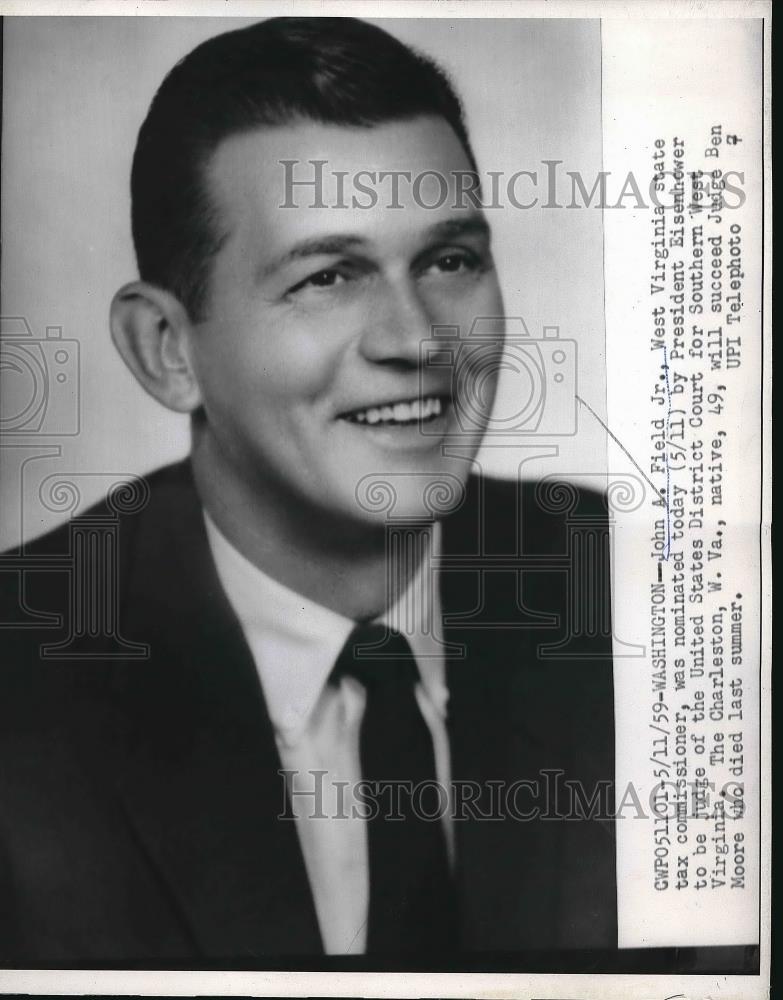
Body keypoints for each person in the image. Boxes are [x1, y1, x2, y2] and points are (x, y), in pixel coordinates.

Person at [0, 17, 615, 963]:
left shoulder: (655, 597)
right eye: (329, 275)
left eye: (450, 260)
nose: (415, 340)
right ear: (167, 352)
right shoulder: (21, 679)